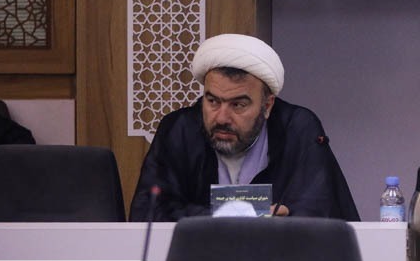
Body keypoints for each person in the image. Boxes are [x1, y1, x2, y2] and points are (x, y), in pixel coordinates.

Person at [130, 33, 359, 222]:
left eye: (238, 105)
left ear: (267, 106)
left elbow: (320, 211)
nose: (222, 118)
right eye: (213, 101)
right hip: (196, 257)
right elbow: (148, 213)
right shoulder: (180, 129)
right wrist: (235, 216)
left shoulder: (297, 129)